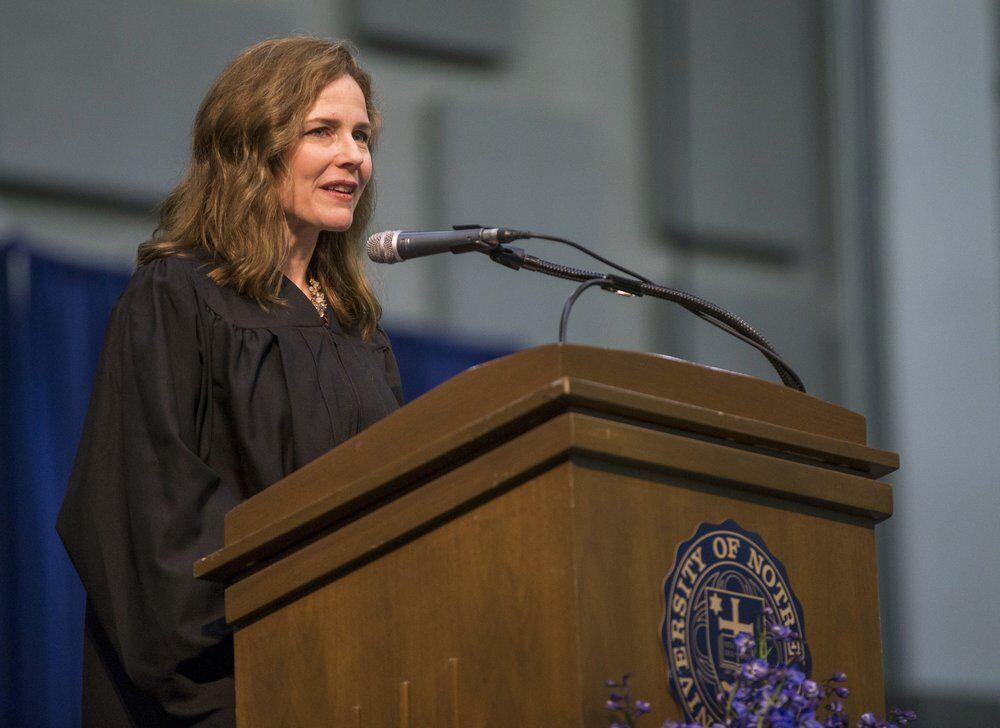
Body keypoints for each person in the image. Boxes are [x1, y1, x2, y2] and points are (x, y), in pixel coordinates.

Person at [56, 37, 404, 727]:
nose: (353, 156)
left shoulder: (359, 331)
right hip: (234, 694)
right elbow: (149, 524)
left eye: (361, 135)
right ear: (253, 145)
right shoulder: (179, 299)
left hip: (358, 686)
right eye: (322, 132)